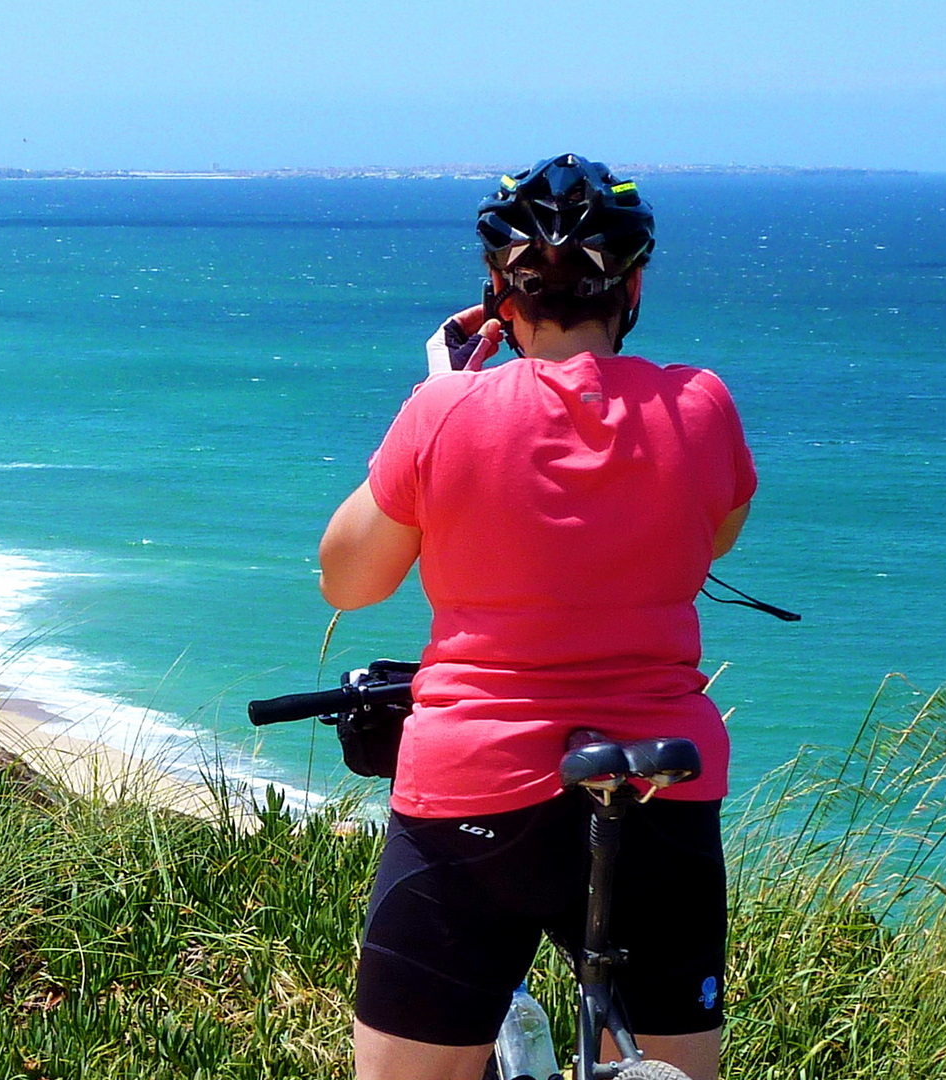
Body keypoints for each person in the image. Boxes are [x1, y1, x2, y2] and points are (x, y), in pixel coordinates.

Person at [318, 154, 756, 1080]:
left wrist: (442, 397)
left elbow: (348, 581)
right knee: (666, 1069)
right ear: (631, 287)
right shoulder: (702, 406)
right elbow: (712, 541)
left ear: (497, 296)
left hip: (476, 782)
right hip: (659, 788)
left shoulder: (445, 409)